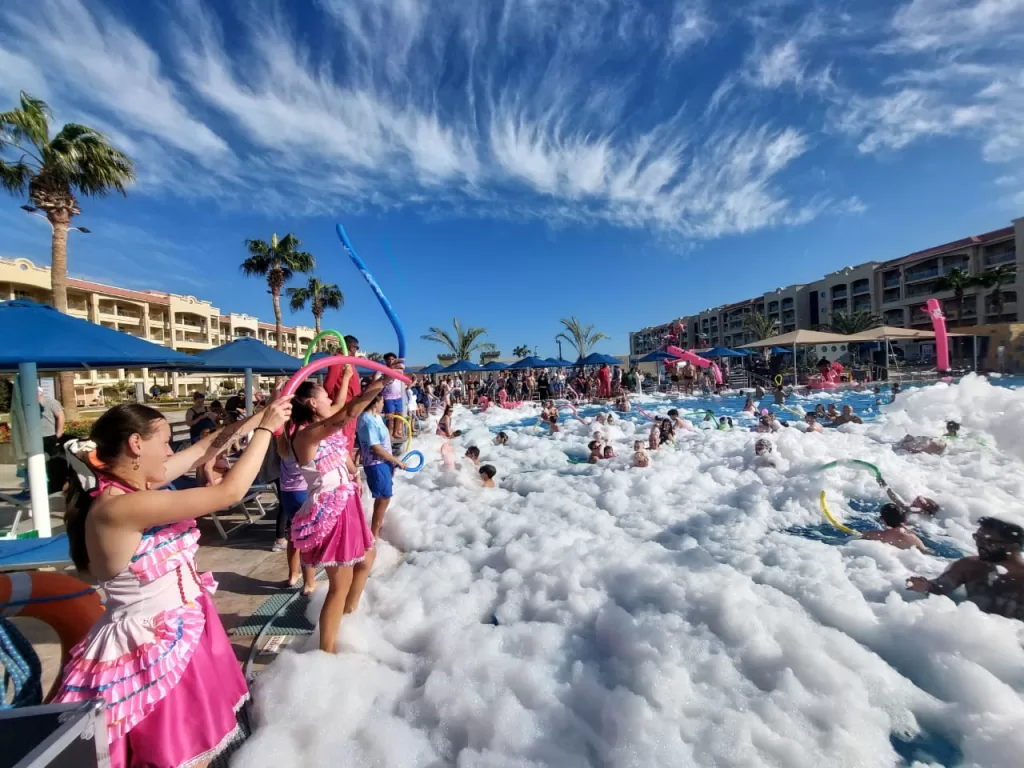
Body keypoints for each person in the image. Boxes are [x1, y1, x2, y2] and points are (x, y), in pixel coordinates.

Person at [56, 397, 292, 767]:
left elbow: (202, 449)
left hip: (182, 628)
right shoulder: (120, 506)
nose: (170, 451)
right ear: (136, 444)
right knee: (178, 751)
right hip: (150, 644)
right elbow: (227, 494)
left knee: (197, 744)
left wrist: (262, 415)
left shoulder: (133, 485)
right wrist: (265, 431)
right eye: (165, 442)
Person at [289, 370, 388, 653]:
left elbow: (342, 409)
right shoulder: (307, 435)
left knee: (368, 557)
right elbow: (346, 413)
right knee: (338, 584)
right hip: (330, 510)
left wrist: (346, 380)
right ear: (311, 404)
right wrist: (378, 384)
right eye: (325, 395)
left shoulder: (322, 428)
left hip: (347, 503)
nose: (331, 398)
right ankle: (327, 650)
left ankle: (350, 613)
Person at [907, 517, 1024, 621]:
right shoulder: (969, 566)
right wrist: (925, 586)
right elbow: (939, 587)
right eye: (977, 538)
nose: (979, 544)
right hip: (974, 634)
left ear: (1014, 547)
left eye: (987, 541)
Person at [357, 392, 408, 541]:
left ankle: (377, 526)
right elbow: (376, 447)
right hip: (376, 464)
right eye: (382, 402)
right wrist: (396, 461)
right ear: (375, 403)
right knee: (383, 497)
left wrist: (387, 417)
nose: (383, 405)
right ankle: (374, 533)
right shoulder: (367, 420)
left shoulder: (375, 417)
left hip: (383, 463)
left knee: (385, 496)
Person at [323, 335, 364, 455]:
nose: (357, 350)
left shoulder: (348, 361)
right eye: (357, 347)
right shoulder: (338, 360)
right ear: (351, 347)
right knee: (345, 438)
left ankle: (348, 466)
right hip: (344, 406)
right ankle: (346, 467)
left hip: (352, 406)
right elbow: (329, 384)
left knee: (350, 437)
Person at [862, 503, 929, 552]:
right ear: (904, 520)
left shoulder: (872, 535)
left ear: (882, 520)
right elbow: (928, 553)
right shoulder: (912, 539)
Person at [38, 385, 65, 457]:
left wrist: (59, 433)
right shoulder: (30, 405)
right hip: (37, 437)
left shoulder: (51, 402)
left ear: (41, 393)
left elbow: (60, 416)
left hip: (50, 435)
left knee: (53, 458)